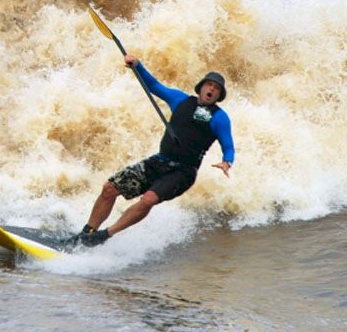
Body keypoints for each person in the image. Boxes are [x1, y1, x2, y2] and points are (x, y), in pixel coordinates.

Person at [70, 54, 235, 248]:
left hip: (183, 172)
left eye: (216, 89)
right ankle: (86, 234)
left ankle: (104, 236)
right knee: (109, 189)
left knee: (148, 199)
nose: (212, 90)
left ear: (219, 96)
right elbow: (154, 86)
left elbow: (228, 146)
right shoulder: (180, 100)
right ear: (201, 87)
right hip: (160, 161)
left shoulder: (220, 118)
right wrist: (138, 66)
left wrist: (226, 161)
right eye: (209, 85)